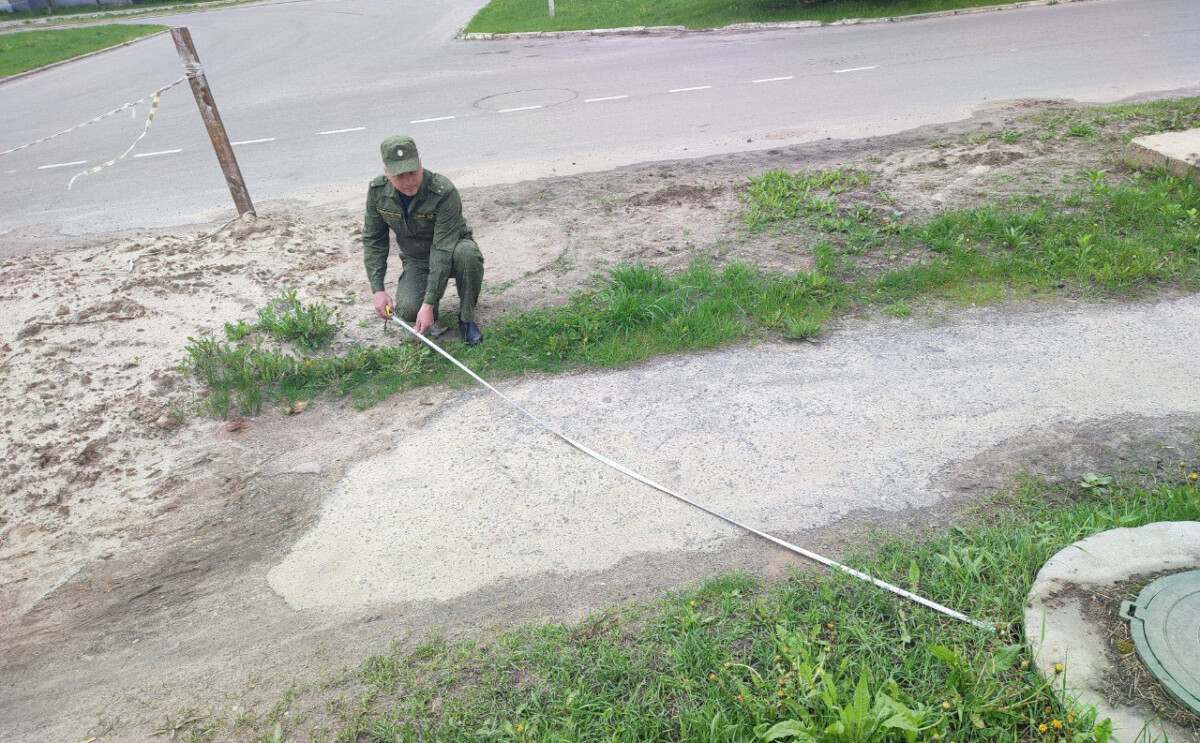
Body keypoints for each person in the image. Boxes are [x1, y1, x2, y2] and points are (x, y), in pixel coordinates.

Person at [363, 135, 485, 345]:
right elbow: (374, 240)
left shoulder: (443, 192)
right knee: (409, 310)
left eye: (412, 172)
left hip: (452, 251)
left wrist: (428, 303)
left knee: (468, 255)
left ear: (420, 163)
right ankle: (427, 311)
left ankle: (466, 319)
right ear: (386, 172)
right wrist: (378, 290)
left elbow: (442, 249)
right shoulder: (377, 192)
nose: (408, 181)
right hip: (417, 259)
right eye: (399, 176)